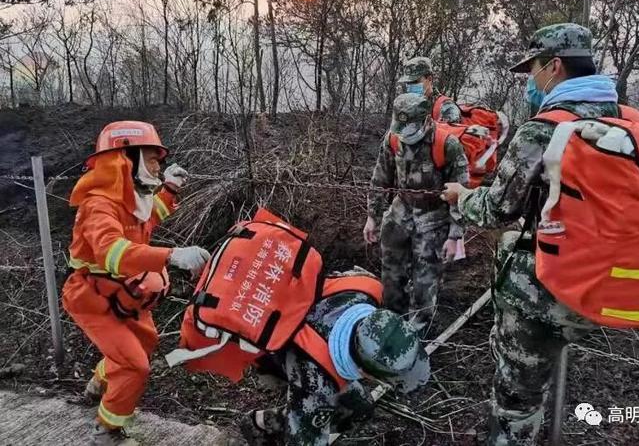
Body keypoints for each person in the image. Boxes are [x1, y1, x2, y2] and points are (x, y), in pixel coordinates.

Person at [440, 23, 637, 445]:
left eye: (534, 69)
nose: (531, 80)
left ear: (555, 66)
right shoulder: (627, 122)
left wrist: (460, 196)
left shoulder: (542, 130)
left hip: (548, 289)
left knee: (518, 401)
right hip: (609, 284)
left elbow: (497, 209)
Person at [62, 121, 210, 446]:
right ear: (126, 158)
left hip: (125, 295)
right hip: (93, 298)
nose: (158, 166)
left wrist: (169, 190)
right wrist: (171, 256)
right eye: (152, 159)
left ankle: (96, 386)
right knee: (135, 366)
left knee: (143, 344)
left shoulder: (127, 198)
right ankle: (108, 431)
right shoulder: (99, 205)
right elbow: (113, 253)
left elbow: (147, 217)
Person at [239, 268, 430, 446]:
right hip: (287, 355)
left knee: (359, 410)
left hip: (303, 324)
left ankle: (285, 419)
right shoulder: (318, 384)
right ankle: (258, 426)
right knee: (307, 428)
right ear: (364, 372)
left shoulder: (367, 287)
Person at [364, 93, 469, 333]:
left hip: (434, 219)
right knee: (391, 275)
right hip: (400, 213)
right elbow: (380, 178)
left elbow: (461, 193)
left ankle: (417, 335)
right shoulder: (393, 139)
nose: (405, 134)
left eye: (409, 127)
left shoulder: (447, 145)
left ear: (425, 121)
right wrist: (373, 216)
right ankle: (390, 325)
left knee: (425, 283)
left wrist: (455, 235)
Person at [398, 56, 461, 123]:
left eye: (415, 81)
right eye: (408, 83)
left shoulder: (446, 106)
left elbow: (450, 130)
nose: (410, 86)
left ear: (429, 79)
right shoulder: (409, 108)